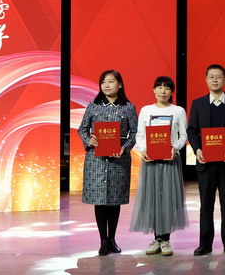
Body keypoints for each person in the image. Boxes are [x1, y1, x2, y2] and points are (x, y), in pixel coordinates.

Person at [187, 64, 225, 256]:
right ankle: (205, 244)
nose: (215, 80)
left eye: (218, 76)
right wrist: (197, 149)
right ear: (206, 80)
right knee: (206, 205)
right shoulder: (198, 104)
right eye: (211, 76)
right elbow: (192, 130)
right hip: (205, 163)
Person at [78, 69, 138, 256]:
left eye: (110, 81)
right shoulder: (93, 106)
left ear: (120, 85)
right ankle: (103, 240)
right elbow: (82, 128)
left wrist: (125, 147)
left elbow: (135, 133)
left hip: (118, 159)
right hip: (96, 160)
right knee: (100, 200)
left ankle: (112, 239)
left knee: (114, 200)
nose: (106, 85)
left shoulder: (128, 107)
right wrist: (89, 140)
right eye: (103, 82)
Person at [130, 76, 189, 256]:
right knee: (153, 199)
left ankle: (165, 240)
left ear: (172, 92)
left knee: (167, 199)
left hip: (170, 161)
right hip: (151, 161)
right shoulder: (146, 110)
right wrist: (143, 150)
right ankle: (156, 239)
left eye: (167, 88)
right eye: (159, 87)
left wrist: (175, 148)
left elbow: (183, 136)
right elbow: (140, 135)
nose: (163, 91)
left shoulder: (178, 111)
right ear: (154, 90)